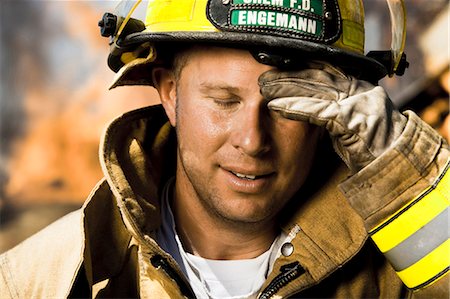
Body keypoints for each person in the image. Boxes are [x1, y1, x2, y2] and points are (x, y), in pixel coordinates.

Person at [1, 0, 449, 298]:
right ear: (170, 93)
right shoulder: (42, 280)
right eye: (224, 101)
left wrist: (408, 175)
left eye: (285, 106)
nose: (251, 140)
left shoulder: (398, 270)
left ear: (331, 114)